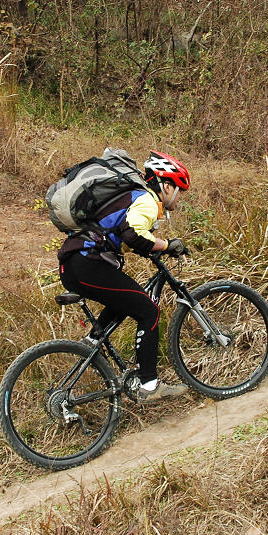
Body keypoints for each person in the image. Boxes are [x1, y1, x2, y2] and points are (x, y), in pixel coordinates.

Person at [58, 150, 190, 403]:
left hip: (74, 265)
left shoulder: (130, 198)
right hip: (88, 265)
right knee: (149, 311)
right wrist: (166, 245)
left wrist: (151, 247)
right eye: (179, 190)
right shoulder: (146, 200)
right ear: (166, 186)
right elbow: (133, 234)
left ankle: (91, 343)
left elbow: (121, 232)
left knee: (125, 301)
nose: (179, 196)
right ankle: (149, 385)